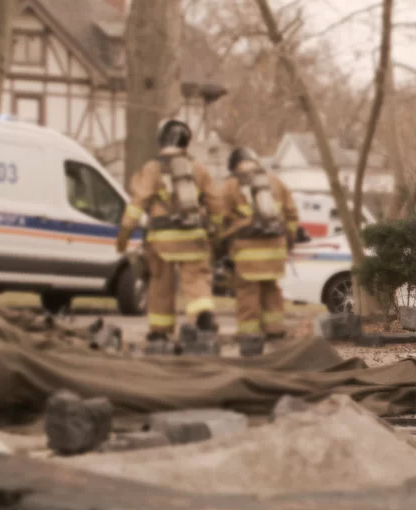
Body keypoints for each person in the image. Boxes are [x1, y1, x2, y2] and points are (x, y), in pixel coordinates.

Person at [116, 119, 222, 355]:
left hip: (161, 241)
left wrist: (124, 233)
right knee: (197, 282)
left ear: (161, 140)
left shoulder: (151, 169)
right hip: (193, 238)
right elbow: (217, 206)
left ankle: (160, 333)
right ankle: (204, 320)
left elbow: (137, 204)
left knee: (160, 285)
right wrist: (216, 234)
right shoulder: (199, 169)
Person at [219, 147, 300, 357]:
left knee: (248, 292)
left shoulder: (231, 185)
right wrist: (289, 241)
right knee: (271, 289)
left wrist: (222, 242)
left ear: (233, 166)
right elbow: (291, 214)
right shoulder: (276, 182)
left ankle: (250, 337)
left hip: (247, 252)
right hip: (276, 250)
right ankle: (274, 331)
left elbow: (220, 217)